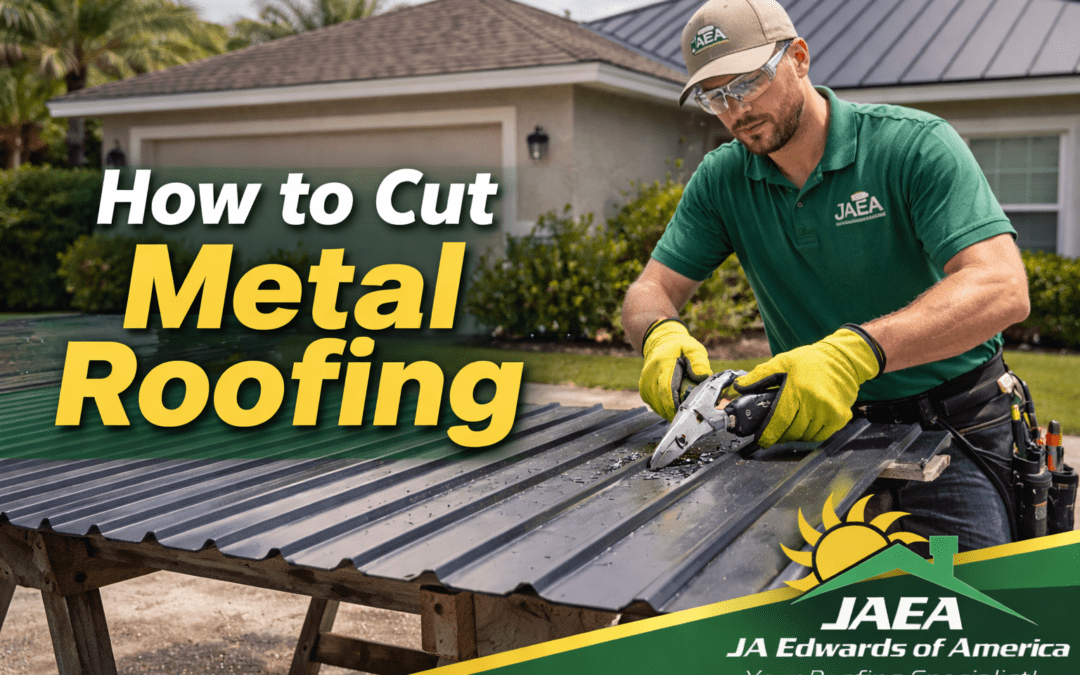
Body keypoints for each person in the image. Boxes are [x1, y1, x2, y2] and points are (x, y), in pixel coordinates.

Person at [621, 0, 1030, 551]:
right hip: (812, 430)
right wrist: (658, 334)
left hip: (953, 426)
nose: (736, 109)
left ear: (799, 58)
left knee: (970, 617)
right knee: (792, 613)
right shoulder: (723, 179)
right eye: (714, 96)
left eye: (746, 82)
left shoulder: (911, 146)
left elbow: (1002, 288)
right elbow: (651, 290)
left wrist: (852, 355)